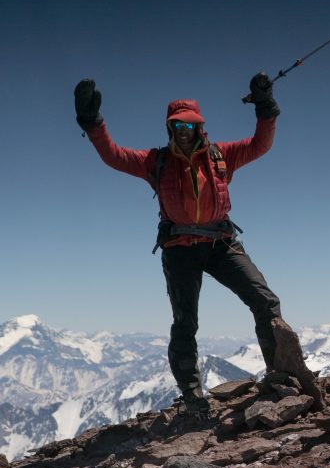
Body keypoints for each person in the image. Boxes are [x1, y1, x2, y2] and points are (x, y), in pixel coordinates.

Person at [74, 74, 283, 417]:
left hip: (221, 244)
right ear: (170, 129)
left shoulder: (220, 156)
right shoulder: (156, 162)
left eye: (190, 126)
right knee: (185, 322)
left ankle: (281, 375)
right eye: (178, 127)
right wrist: (93, 123)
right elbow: (114, 155)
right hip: (179, 248)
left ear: (200, 128)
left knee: (265, 301)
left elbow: (260, 145)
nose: (185, 132)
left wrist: (265, 106)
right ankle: (192, 395)